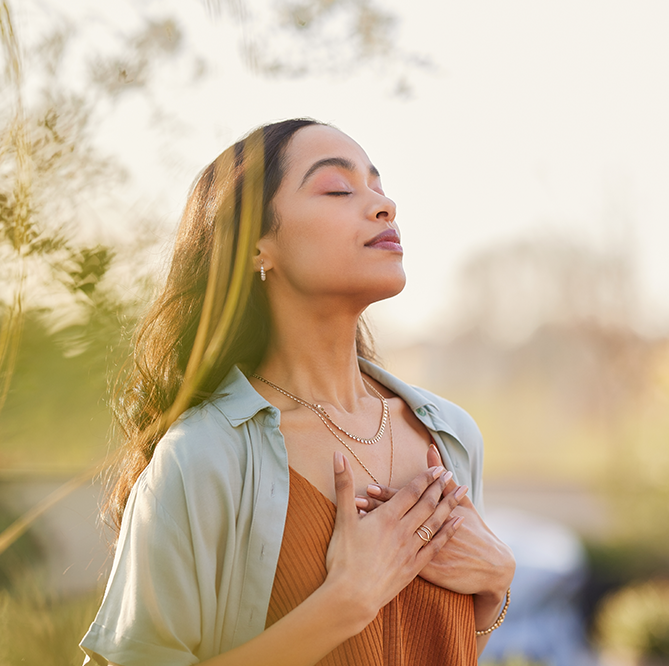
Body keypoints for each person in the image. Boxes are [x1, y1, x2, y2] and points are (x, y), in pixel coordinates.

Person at [80, 118, 515, 666]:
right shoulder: (204, 456)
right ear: (257, 247)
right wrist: (343, 604)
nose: (385, 206)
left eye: (378, 187)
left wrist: (494, 588)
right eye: (338, 189)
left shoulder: (451, 436)